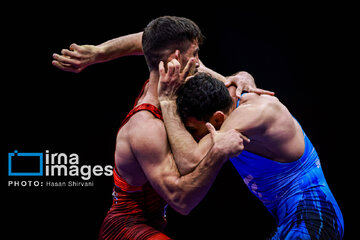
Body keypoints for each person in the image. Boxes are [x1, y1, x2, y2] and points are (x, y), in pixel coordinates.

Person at [53, 16, 253, 240]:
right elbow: (181, 201)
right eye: (195, 54)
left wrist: (100, 53)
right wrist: (218, 152)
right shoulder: (147, 126)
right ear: (174, 59)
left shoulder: (170, 79)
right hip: (125, 229)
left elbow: (148, 40)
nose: (199, 62)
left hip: (154, 224)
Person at [157, 64, 345, 239]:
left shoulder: (253, 113)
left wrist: (167, 102)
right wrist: (239, 75)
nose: (193, 138)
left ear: (217, 119)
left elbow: (189, 162)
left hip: (316, 218)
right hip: (295, 219)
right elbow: (186, 57)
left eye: (193, 130)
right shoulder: (228, 97)